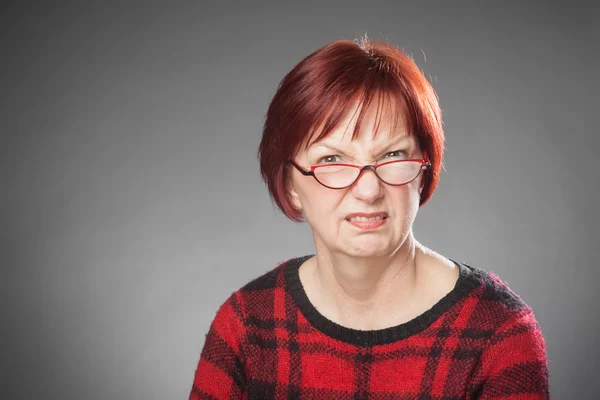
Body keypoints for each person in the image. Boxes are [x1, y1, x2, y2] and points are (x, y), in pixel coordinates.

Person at [189, 36, 550, 399]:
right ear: (291, 183)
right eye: (332, 159)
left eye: (393, 155)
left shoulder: (499, 332)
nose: (368, 190)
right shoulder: (248, 324)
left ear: (424, 169)